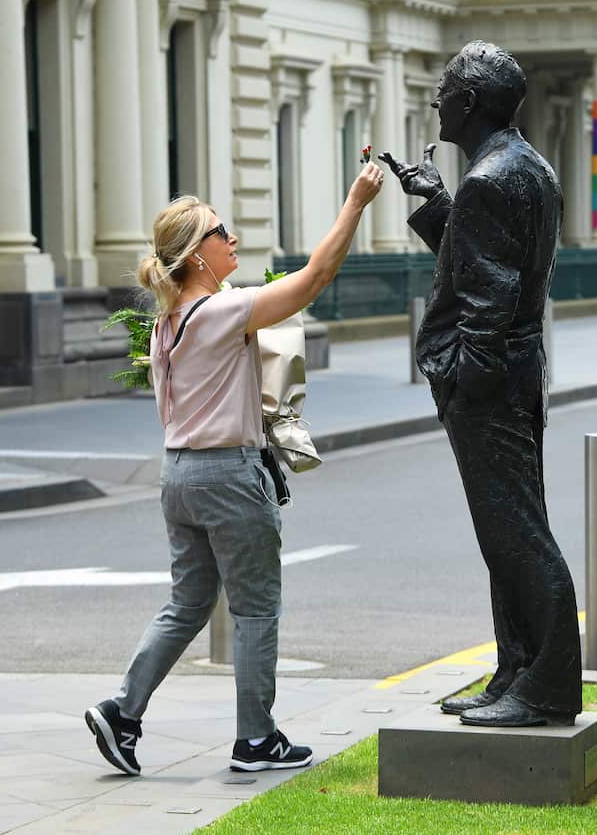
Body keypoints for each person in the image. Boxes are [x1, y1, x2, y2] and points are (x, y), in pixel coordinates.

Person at [85, 164, 384, 776]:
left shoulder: (167, 323)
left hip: (180, 476)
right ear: (198, 256)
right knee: (255, 608)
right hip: (226, 475)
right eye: (222, 232)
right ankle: (255, 741)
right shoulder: (218, 312)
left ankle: (123, 711)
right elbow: (314, 278)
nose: (234, 239)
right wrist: (356, 201)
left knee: (188, 602)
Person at [379, 40, 581, 728]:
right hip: (514, 372)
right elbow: (484, 262)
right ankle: (517, 669)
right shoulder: (525, 167)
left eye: (444, 89)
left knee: (517, 534)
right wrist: (438, 204)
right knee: (507, 536)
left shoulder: (492, 179)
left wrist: (466, 380)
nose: (437, 98)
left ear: (467, 104)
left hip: (490, 384)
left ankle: (547, 684)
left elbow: (488, 299)